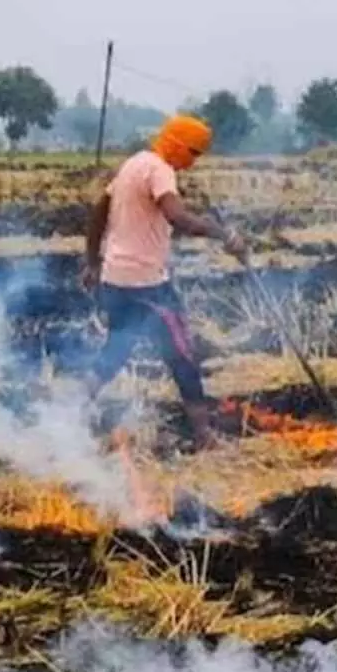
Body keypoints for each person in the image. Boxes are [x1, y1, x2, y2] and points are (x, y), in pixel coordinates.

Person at [80, 114, 247, 450]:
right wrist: (222, 233)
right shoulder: (159, 169)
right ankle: (203, 435)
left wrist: (93, 261)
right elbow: (177, 216)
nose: (192, 162)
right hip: (147, 284)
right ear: (177, 144)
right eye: (193, 153)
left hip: (115, 280)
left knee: (117, 348)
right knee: (182, 354)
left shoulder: (133, 164)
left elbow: (100, 210)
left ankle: (71, 409)